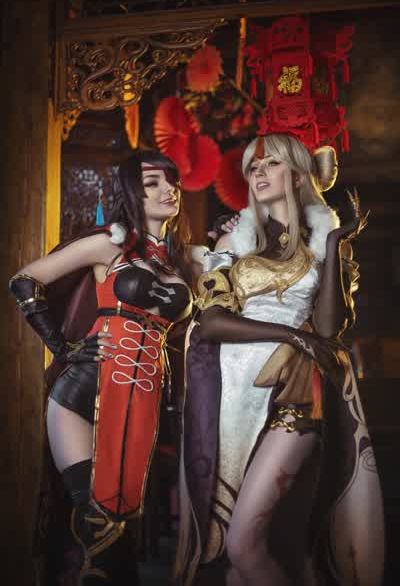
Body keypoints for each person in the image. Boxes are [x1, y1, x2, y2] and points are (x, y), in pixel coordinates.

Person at [176, 134, 384, 586]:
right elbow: (211, 322)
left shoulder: (324, 240)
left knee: (244, 546)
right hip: (232, 398)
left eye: (271, 164)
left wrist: (334, 244)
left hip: (296, 395)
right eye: (253, 167)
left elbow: (328, 328)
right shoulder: (233, 239)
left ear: (297, 174)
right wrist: (290, 334)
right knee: (240, 564)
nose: (259, 173)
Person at [9, 150, 194, 584]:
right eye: (152, 183)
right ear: (131, 192)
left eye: (172, 181)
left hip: (141, 403)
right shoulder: (107, 244)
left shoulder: (182, 263)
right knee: (99, 528)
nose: (169, 190)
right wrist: (65, 348)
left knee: (122, 534)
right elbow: (24, 281)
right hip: (82, 394)